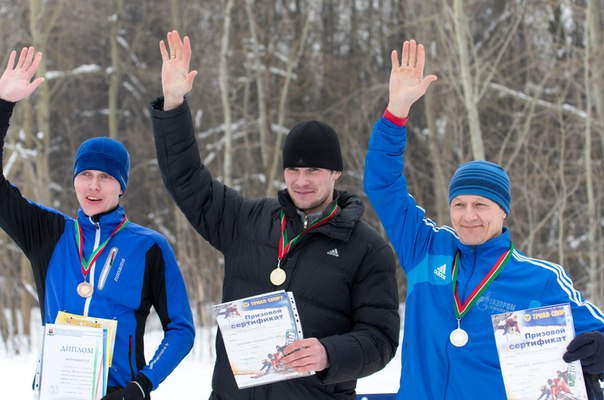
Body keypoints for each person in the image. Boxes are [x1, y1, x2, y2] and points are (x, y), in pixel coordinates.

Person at [149, 30, 400, 399]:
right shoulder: (246, 221)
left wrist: (329, 353)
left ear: (335, 173)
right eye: (293, 170)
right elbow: (186, 180)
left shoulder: (368, 249)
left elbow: (381, 339)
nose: (301, 181)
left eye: (313, 170)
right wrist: (173, 105)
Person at [362, 39, 604, 400]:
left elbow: (598, 335)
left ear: (503, 210)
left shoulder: (538, 280)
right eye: (459, 205)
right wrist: (397, 111)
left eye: (481, 205)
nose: (468, 216)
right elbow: (383, 185)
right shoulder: (426, 250)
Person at [0, 46, 195, 400]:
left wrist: (142, 385)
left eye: (105, 177)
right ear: (74, 180)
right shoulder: (47, 234)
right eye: (85, 175)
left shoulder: (149, 247)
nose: (93, 186)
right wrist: (2, 105)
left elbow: (181, 330)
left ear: (121, 186)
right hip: (58, 392)